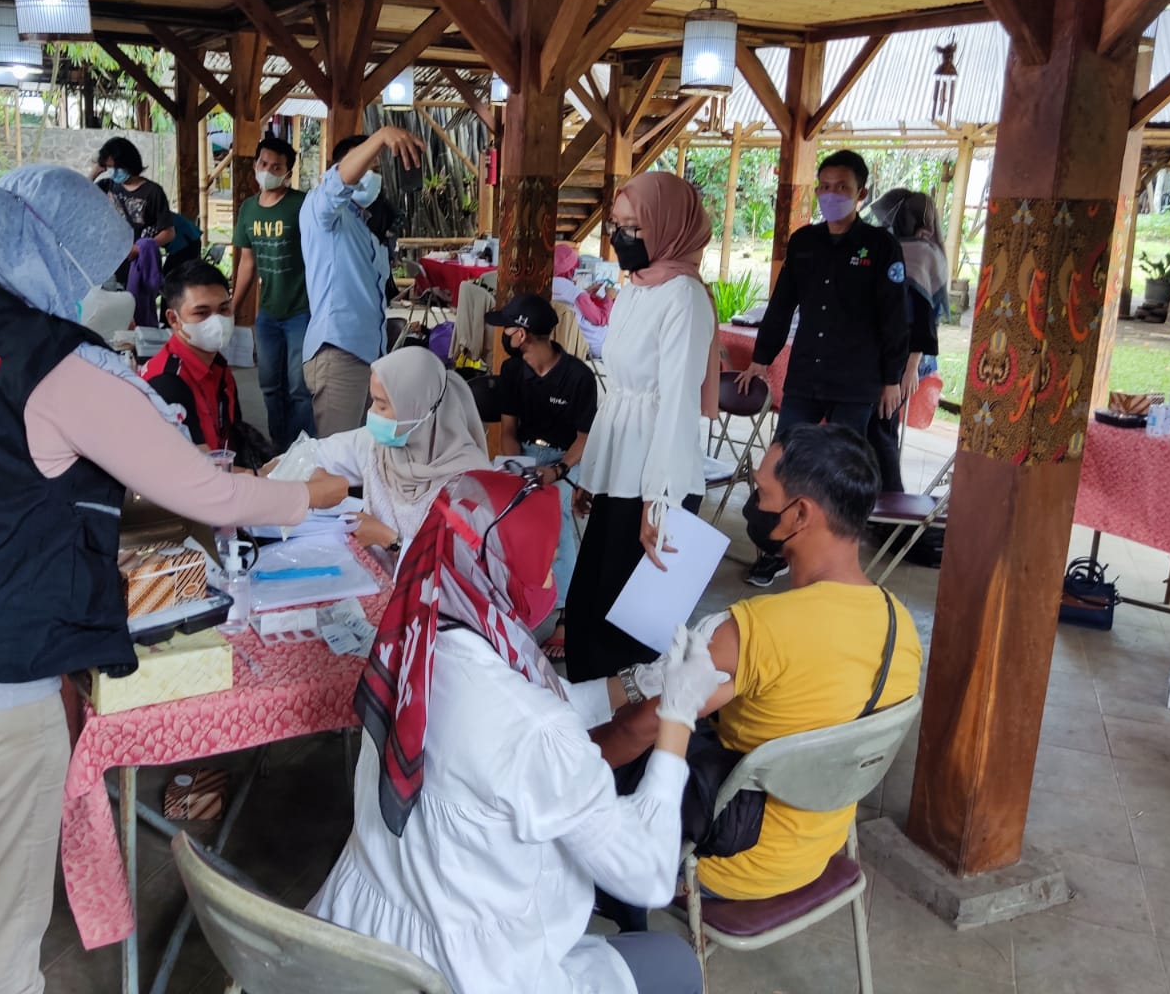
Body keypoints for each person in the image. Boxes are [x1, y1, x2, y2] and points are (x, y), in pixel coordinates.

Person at [0, 165, 348, 994]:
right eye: (90, 269)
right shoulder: (54, 363)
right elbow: (200, 488)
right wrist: (306, 495)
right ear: (55, 258)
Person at [311, 469, 723, 994]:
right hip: (467, 970)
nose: (553, 583)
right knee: (674, 962)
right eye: (546, 565)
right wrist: (679, 721)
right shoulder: (533, 728)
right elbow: (649, 872)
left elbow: (533, 705)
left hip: (365, 936)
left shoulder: (412, 643)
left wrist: (640, 682)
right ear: (499, 572)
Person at [601, 425, 922, 914]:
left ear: (799, 514)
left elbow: (647, 724)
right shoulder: (902, 626)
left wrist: (569, 756)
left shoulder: (756, 630)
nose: (753, 503)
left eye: (761, 492)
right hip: (816, 853)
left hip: (723, 865)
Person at [566, 172, 718, 682]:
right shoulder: (635, 289)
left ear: (669, 227)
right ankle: (591, 730)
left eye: (635, 226)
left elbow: (675, 405)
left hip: (656, 478)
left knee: (627, 630)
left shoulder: (684, 298)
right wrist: (592, 473)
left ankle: (624, 743)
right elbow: (619, 393)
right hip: (620, 470)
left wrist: (660, 503)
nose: (621, 236)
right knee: (589, 604)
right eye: (616, 224)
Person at [736, 150, 909, 586]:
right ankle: (771, 551)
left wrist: (891, 379)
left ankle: (831, 563)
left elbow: (895, 318)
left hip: (857, 381)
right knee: (782, 464)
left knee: (841, 472)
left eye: (843, 188)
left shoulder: (880, 246)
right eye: (826, 186)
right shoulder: (805, 242)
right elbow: (781, 305)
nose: (832, 195)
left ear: (862, 194)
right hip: (806, 378)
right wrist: (761, 357)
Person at [490, 291, 599, 655]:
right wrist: (514, 467)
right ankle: (521, 603)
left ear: (521, 335)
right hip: (523, 454)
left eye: (507, 328)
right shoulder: (511, 371)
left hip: (566, 457)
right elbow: (507, 429)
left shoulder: (578, 377)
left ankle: (567, 615)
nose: (503, 334)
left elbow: (584, 439)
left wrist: (559, 470)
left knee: (558, 523)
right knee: (511, 524)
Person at [300, 127, 424, 434]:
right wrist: (381, 136)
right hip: (338, 352)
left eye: (378, 170)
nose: (374, 177)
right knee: (337, 460)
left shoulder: (364, 226)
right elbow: (336, 185)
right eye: (369, 167)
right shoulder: (322, 214)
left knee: (359, 455)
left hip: (368, 355)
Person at [315, 347, 488, 558]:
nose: (371, 413)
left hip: (425, 589)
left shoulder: (472, 481)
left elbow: (468, 566)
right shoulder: (382, 447)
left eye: (381, 406)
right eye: (373, 401)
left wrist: (390, 540)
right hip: (373, 579)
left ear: (419, 409)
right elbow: (322, 452)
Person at [863, 187, 947, 493]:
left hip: (899, 358)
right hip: (883, 352)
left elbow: (924, 319)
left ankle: (890, 503)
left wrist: (911, 367)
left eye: (886, 216)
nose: (882, 222)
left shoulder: (917, 253)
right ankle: (876, 501)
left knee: (881, 430)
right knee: (876, 429)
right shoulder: (911, 247)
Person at [235, 134, 314, 451]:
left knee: (299, 387)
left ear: (288, 173)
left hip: (302, 312)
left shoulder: (302, 205)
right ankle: (281, 448)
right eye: (263, 163)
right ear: (256, 164)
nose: (268, 170)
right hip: (267, 314)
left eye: (276, 166)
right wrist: (233, 305)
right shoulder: (248, 209)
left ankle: (303, 449)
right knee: (269, 385)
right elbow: (246, 263)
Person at [141, 260, 266, 463]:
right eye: (201, 312)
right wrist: (261, 476)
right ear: (174, 319)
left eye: (224, 309)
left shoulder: (218, 366)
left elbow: (232, 434)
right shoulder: (167, 383)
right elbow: (193, 470)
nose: (217, 322)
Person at [93, 136, 174, 284]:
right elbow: (80, 194)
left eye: (117, 168)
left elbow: (168, 233)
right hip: (110, 260)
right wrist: (96, 171)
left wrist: (139, 248)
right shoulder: (107, 185)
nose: (113, 172)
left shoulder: (153, 192)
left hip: (138, 262)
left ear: (129, 164)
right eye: (109, 168)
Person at [552, 242, 614, 358]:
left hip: (562, 341)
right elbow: (601, 319)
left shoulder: (547, 287)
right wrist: (609, 297)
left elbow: (570, 303)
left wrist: (586, 293)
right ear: (571, 270)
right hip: (594, 344)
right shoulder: (576, 294)